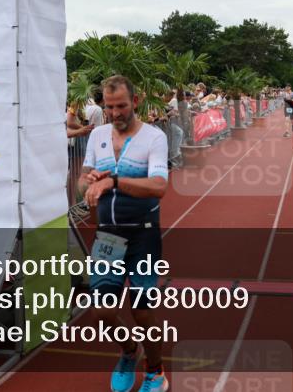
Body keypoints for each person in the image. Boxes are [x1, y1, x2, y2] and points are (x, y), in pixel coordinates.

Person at [78, 75, 170, 392]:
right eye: (109, 106)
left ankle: (156, 371)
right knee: (101, 311)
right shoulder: (98, 135)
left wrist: (114, 181)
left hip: (143, 236)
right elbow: (82, 183)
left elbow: (159, 187)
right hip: (108, 237)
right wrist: (90, 181)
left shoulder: (154, 138)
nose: (115, 113)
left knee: (143, 312)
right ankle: (130, 352)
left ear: (135, 102)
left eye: (121, 106)